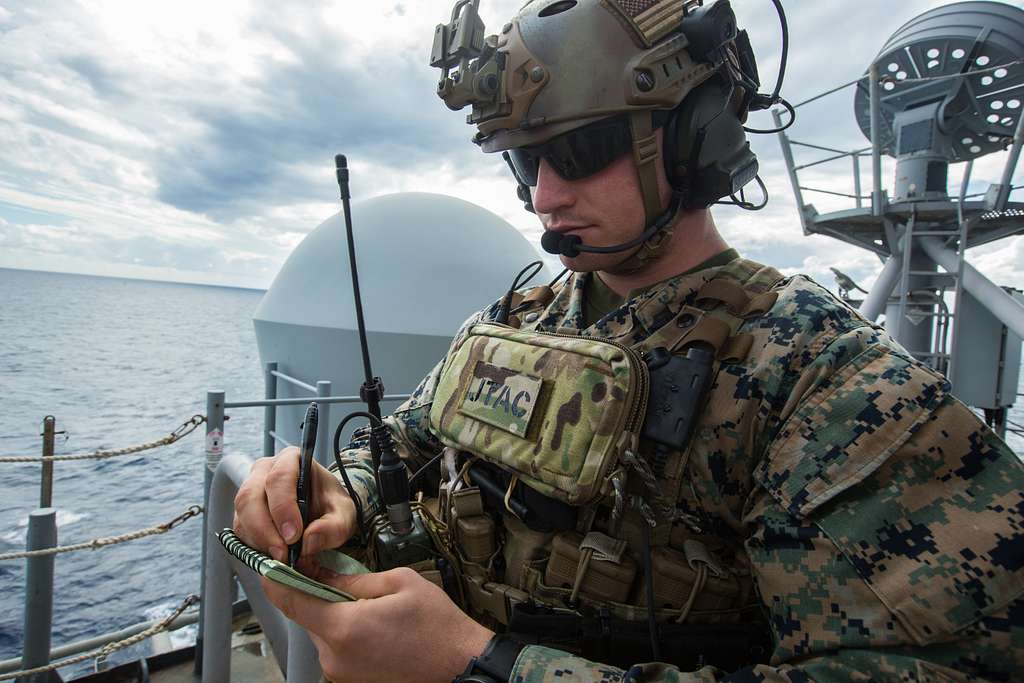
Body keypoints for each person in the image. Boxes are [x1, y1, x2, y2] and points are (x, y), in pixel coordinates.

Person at [233, 1, 1024, 681]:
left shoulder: (826, 382)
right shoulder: (513, 321)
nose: (544, 194)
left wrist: (477, 663)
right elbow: (404, 447)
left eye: (577, 151)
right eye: (525, 159)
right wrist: (341, 492)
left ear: (690, 137)